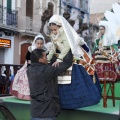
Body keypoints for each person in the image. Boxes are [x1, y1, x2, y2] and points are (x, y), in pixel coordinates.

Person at [47, 14, 101, 109]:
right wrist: (48, 58)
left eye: (55, 29)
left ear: (61, 27)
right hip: (60, 58)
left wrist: (59, 59)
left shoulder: (66, 35)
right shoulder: (54, 35)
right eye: (52, 30)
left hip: (69, 57)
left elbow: (67, 48)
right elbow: (53, 48)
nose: (53, 32)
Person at [27, 49, 73, 120]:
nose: (47, 57)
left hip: (34, 113)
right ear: (40, 60)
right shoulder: (46, 71)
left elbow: (47, 65)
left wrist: (54, 52)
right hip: (46, 115)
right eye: (45, 56)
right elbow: (67, 63)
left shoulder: (29, 69)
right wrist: (68, 47)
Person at [10, 34, 47, 100]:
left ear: (43, 43)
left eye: (41, 44)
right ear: (35, 43)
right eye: (38, 43)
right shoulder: (31, 49)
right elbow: (27, 58)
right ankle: (25, 96)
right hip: (30, 66)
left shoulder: (45, 50)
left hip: (41, 66)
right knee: (25, 77)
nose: (39, 45)